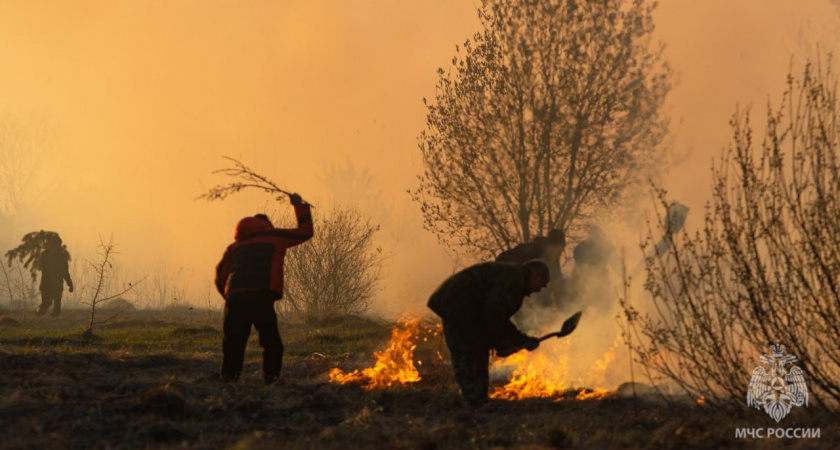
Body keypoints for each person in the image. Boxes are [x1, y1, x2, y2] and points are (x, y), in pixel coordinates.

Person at [215, 193, 313, 385]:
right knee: (271, 342)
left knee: (233, 343)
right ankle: (271, 378)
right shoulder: (274, 236)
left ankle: (229, 380)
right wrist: (300, 206)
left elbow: (220, 275)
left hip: (235, 298)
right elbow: (305, 232)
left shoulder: (235, 246)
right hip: (261, 295)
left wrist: (227, 296)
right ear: (267, 225)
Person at [427, 259, 550, 407]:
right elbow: (493, 313)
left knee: (480, 350)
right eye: (541, 285)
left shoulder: (515, 278)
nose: (540, 290)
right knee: (468, 353)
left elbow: (500, 318)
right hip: (457, 307)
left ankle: (479, 400)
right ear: (536, 275)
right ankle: (473, 401)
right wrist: (503, 345)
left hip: (467, 308)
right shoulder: (513, 279)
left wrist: (521, 340)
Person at [496, 229, 566, 309]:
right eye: (559, 250)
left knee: (546, 297)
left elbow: (557, 285)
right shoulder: (531, 250)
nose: (560, 254)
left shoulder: (554, 261)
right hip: (516, 293)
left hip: (531, 296)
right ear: (551, 245)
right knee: (543, 294)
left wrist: (563, 309)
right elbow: (503, 259)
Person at [37, 234, 74, 317]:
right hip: (48, 283)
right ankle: (39, 315)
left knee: (56, 303)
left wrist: (70, 284)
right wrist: (70, 284)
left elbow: (65, 272)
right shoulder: (46, 255)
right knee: (47, 302)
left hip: (55, 284)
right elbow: (43, 269)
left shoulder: (57, 256)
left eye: (57, 245)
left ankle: (52, 318)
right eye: (55, 244)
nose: (56, 246)